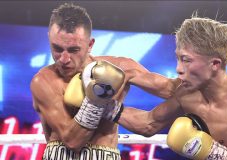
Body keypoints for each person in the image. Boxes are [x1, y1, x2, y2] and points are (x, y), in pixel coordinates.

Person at [30, 3, 180, 160]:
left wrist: (203, 77)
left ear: (90, 45)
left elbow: (175, 91)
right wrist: (98, 99)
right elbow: (73, 141)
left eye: (74, 50)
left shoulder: (121, 68)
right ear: (49, 39)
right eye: (57, 49)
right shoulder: (43, 81)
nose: (64, 59)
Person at [113, 15, 227, 159]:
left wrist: (211, 152)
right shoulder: (186, 93)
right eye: (178, 59)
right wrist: (103, 106)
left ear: (215, 64)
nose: (178, 68)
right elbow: (149, 124)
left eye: (186, 60)